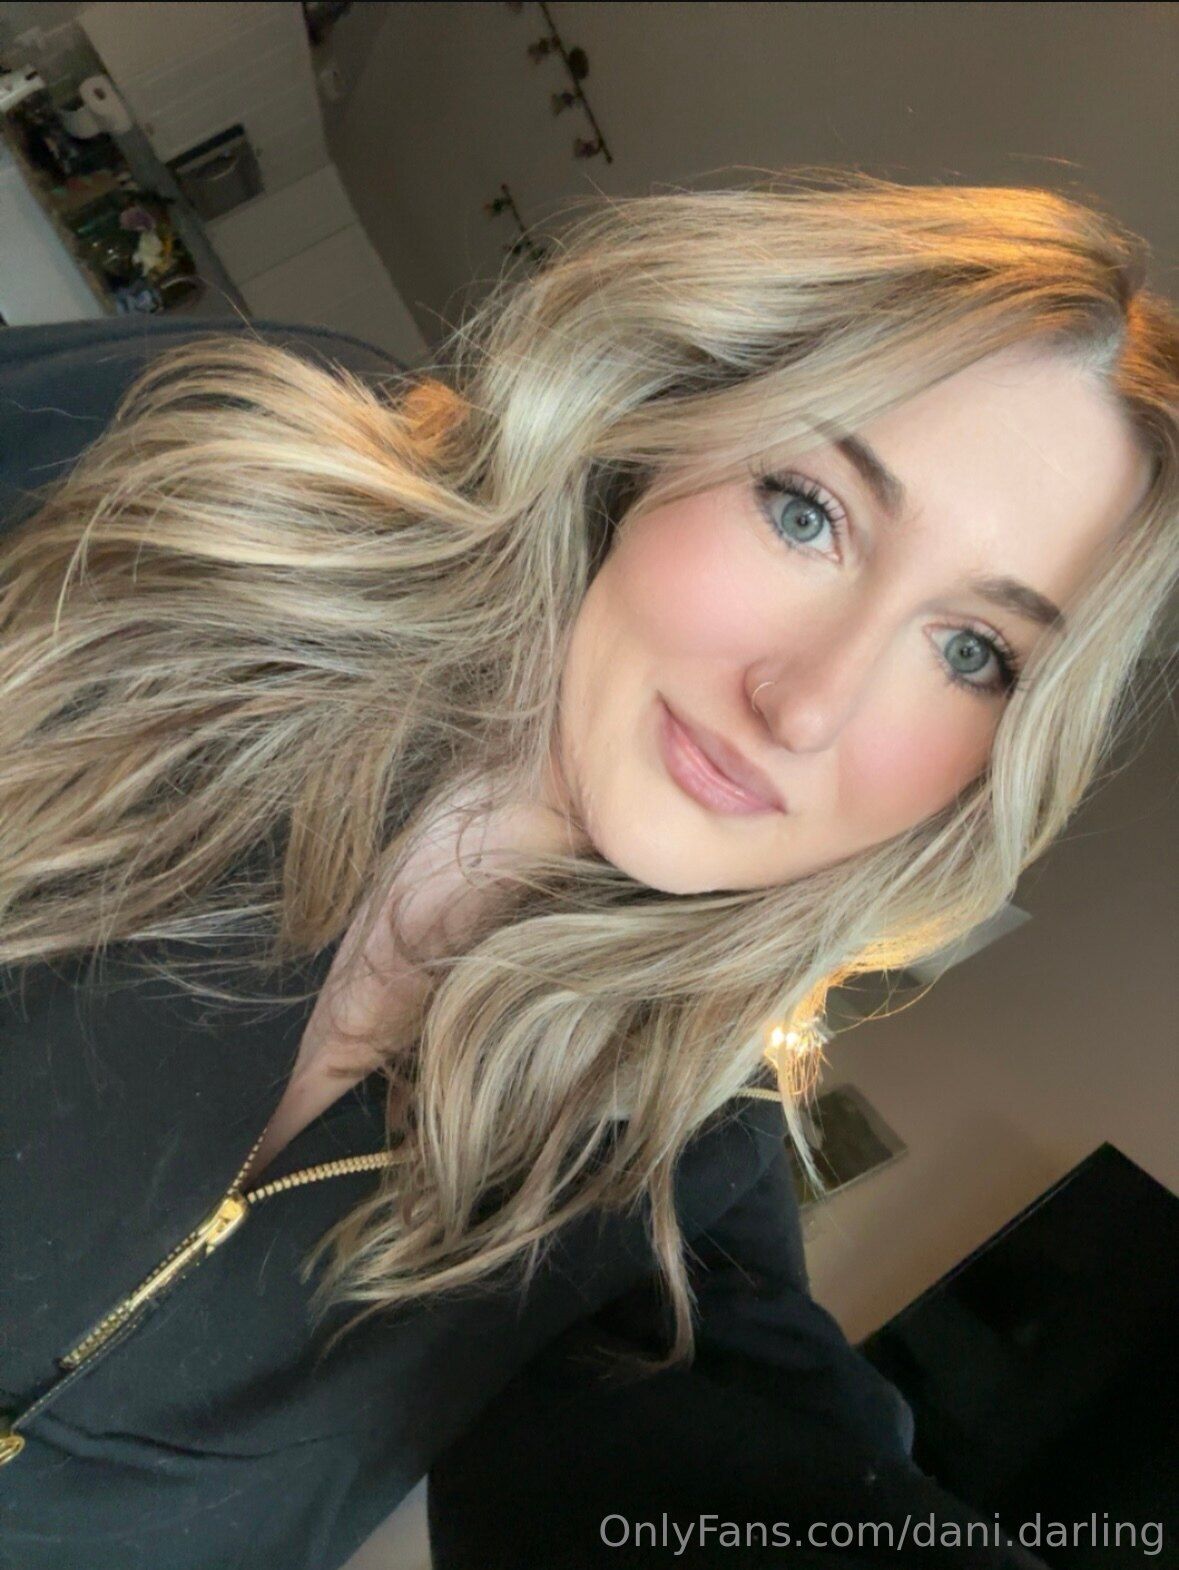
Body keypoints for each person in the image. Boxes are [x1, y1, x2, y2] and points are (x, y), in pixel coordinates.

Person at [0, 169, 1174, 1569]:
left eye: (973, 652)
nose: (807, 705)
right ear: (663, 420)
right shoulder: (217, 474)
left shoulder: (670, 1176)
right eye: (807, 510)